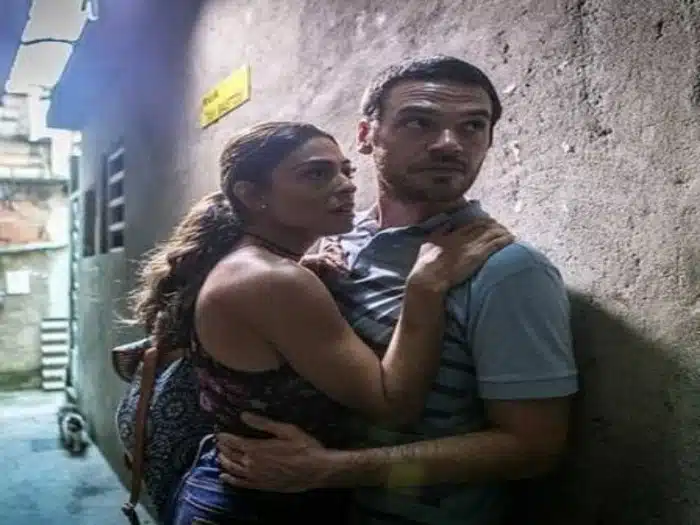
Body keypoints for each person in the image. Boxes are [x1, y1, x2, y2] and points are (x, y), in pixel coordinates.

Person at [214, 56, 579, 525]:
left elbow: (533, 448)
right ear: (367, 135)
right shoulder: (336, 241)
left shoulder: (507, 271)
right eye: (418, 122)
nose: (449, 143)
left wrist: (331, 471)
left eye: (473, 126)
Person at [129, 121, 513, 524]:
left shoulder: (254, 264)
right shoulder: (272, 279)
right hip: (256, 506)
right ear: (253, 195)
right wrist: (425, 288)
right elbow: (392, 405)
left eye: (346, 170)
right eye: (316, 174)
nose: (346, 185)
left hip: (253, 491)